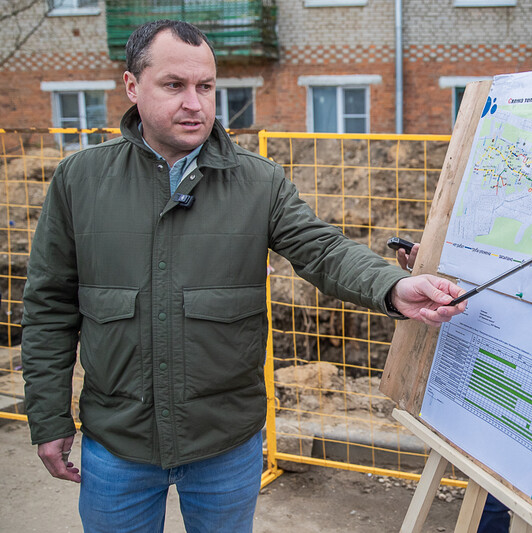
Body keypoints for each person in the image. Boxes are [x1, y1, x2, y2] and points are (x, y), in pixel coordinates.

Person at [21, 20, 466, 532]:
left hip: (226, 444)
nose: (194, 103)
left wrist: (392, 286)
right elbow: (49, 308)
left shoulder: (258, 181)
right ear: (132, 86)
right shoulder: (79, 180)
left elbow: (323, 250)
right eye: (174, 85)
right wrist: (48, 418)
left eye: (206, 86)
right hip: (117, 442)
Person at [397, 53, 532, 533]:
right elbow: (485, 241)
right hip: (496, 344)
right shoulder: (515, 162)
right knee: (486, 467)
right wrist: (432, 260)